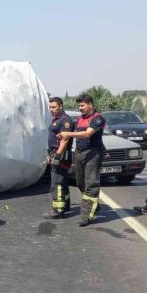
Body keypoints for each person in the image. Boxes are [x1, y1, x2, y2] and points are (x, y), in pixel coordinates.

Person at [58, 94, 106, 227]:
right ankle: (93, 205)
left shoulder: (98, 118)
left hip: (93, 153)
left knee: (91, 184)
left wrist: (68, 134)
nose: (80, 108)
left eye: (82, 105)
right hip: (79, 153)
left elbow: (87, 134)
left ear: (90, 104)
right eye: (79, 105)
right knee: (80, 183)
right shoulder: (80, 119)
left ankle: (86, 216)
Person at [43, 97, 75, 219]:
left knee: (57, 183)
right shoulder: (56, 119)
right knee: (63, 181)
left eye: (54, 107)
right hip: (55, 153)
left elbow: (65, 139)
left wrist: (57, 155)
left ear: (61, 106)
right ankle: (65, 205)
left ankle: (58, 209)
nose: (51, 109)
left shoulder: (65, 120)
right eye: (50, 107)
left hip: (60, 156)